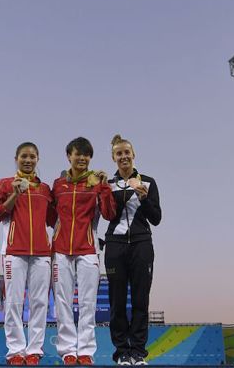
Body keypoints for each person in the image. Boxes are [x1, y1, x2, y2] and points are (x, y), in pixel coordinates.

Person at [51, 137, 116, 365]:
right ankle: (68, 350)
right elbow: (50, 216)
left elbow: (109, 213)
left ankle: (86, 350)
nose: (82, 158)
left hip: (88, 249)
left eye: (86, 155)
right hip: (60, 250)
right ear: (69, 155)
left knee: (88, 302)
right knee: (63, 301)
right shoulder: (58, 185)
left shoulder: (97, 182)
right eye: (78, 154)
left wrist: (105, 187)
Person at [0, 142, 55, 366]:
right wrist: (15, 194)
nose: (28, 160)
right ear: (16, 158)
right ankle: (16, 350)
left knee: (40, 303)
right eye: (24, 157)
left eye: (32, 157)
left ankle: (35, 349)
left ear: (38, 159)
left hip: (41, 253)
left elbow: (52, 220)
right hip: (13, 251)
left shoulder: (45, 189)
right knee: (14, 303)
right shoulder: (4, 184)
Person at [104, 134, 161, 366]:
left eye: (127, 152)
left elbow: (156, 218)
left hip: (141, 244)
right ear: (113, 158)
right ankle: (121, 353)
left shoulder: (148, 181)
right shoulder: (107, 185)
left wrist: (144, 198)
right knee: (117, 302)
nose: (124, 156)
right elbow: (107, 215)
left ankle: (137, 352)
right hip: (115, 246)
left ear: (133, 155)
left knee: (140, 300)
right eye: (119, 153)